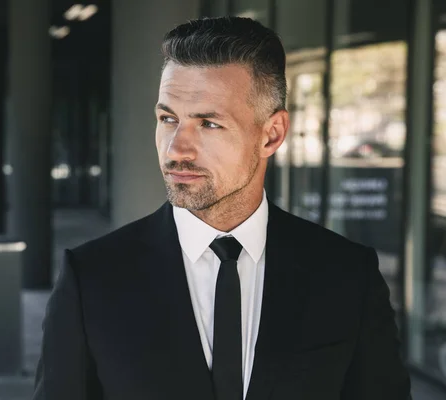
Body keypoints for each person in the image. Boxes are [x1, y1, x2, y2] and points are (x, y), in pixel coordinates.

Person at [32, 16, 411, 400]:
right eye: (168, 119)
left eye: (209, 123)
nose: (176, 148)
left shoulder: (348, 274)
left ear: (272, 134)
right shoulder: (91, 278)